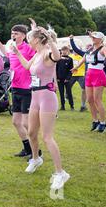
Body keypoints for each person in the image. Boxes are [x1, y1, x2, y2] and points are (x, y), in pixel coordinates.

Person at [13, 26, 70, 190]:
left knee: (47, 137)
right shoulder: (37, 54)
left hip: (47, 98)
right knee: (31, 132)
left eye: (30, 38)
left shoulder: (46, 52)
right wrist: (17, 53)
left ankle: (60, 173)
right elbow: (26, 66)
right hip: (35, 97)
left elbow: (57, 56)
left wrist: (51, 40)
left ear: (37, 39)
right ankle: (36, 159)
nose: (28, 41)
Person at [0, 23, 36, 158]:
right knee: (16, 122)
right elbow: (6, 53)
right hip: (15, 88)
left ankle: (36, 150)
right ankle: (27, 148)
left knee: (26, 123)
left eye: (16, 33)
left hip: (27, 89)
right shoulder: (12, 48)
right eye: (12, 34)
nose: (13, 36)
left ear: (23, 35)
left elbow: (38, 57)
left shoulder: (28, 48)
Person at [72, 32, 106, 133]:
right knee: (90, 100)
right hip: (89, 74)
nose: (93, 38)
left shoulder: (103, 48)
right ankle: (95, 121)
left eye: (95, 37)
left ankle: (103, 122)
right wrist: (76, 67)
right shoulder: (90, 49)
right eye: (92, 37)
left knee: (97, 100)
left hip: (98, 74)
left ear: (101, 39)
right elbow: (84, 59)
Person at [68, 38, 87, 112]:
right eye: (74, 50)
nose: (75, 51)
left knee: (84, 90)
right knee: (68, 88)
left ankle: (83, 105)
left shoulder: (82, 56)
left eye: (77, 50)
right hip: (72, 75)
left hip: (81, 75)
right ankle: (69, 102)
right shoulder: (70, 56)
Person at [56, 46, 74, 111]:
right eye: (63, 50)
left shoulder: (70, 59)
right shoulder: (58, 59)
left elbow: (71, 70)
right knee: (61, 93)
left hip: (67, 79)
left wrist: (68, 78)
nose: (64, 51)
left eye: (65, 50)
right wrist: (57, 77)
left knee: (69, 92)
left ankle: (71, 106)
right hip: (59, 79)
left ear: (68, 51)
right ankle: (62, 106)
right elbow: (56, 69)